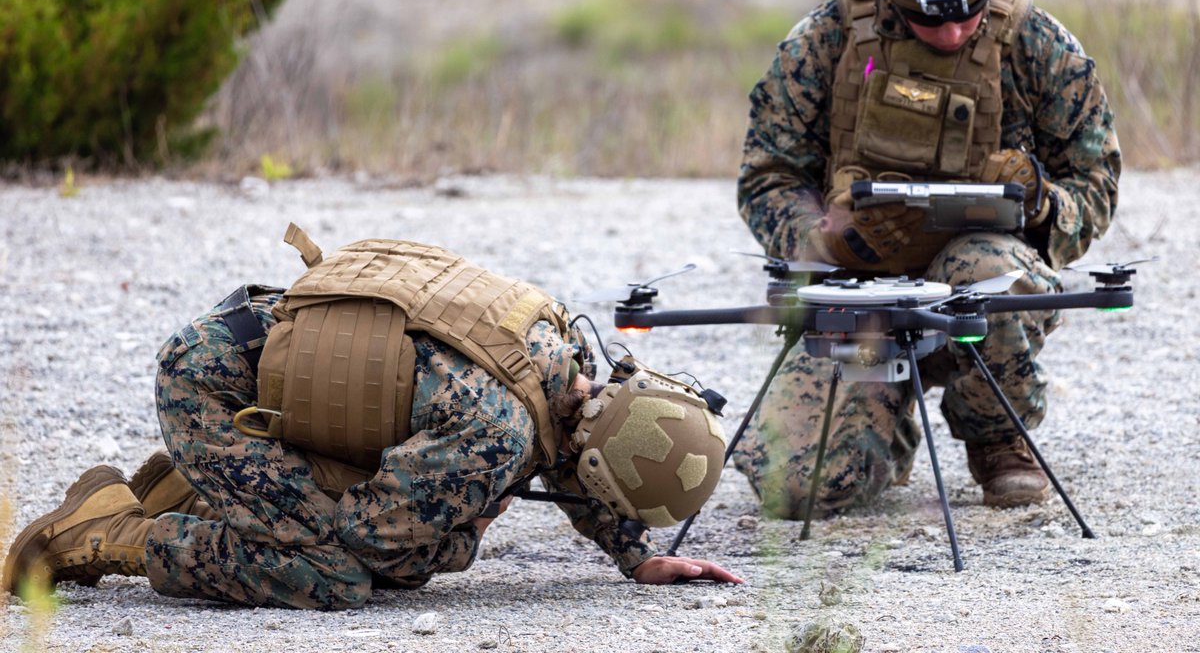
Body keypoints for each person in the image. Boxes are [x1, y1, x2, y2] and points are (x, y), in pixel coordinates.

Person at [3, 226, 741, 609]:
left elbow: (576, 441)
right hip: (213, 399)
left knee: (367, 512)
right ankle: (100, 529)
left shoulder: (558, 350)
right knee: (330, 577)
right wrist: (463, 538)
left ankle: (202, 496)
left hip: (246, 347)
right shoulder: (498, 434)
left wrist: (631, 551)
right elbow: (370, 542)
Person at [733, 0, 1120, 518]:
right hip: (859, 294)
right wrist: (820, 237)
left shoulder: (1037, 45)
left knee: (991, 275)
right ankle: (882, 422)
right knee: (795, 489)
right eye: (926, 21)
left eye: (968, 14)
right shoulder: (827, 40)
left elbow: (1096, 185)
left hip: (978, 286)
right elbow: (767, 177)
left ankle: (997, 434)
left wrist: (1039, 200)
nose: (951, 34)